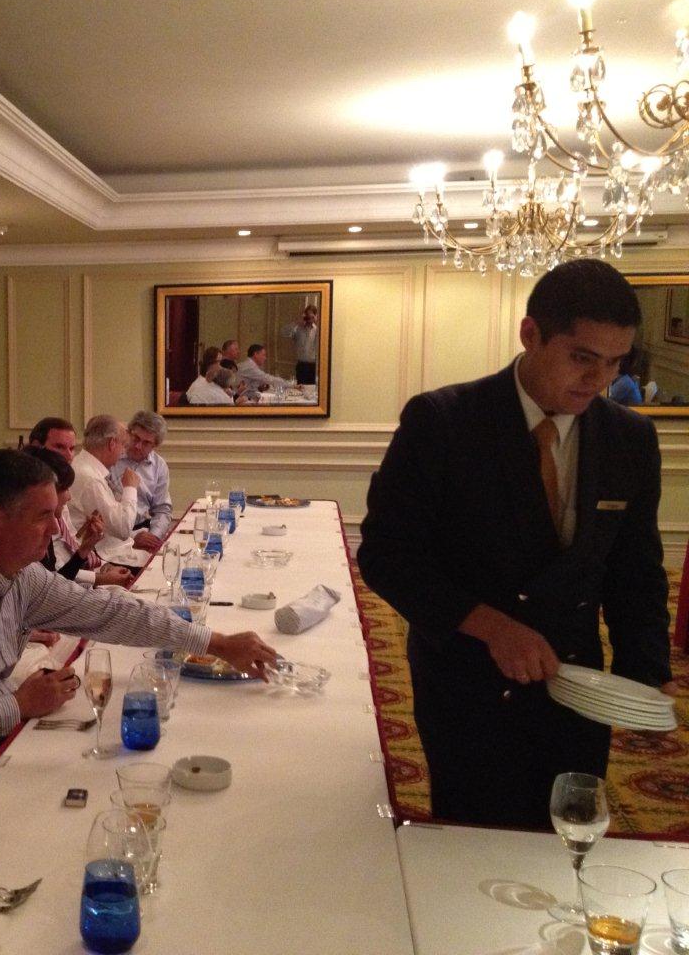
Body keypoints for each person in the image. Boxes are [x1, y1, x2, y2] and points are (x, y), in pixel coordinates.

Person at [0, 449, 279, 871]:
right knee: (85, 826)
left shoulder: (13, 571)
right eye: (44, 516)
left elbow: (108, 612)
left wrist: (215, 642)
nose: (56, 528)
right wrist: (17, 705)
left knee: (102, 781)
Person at [358, 259, 672, 830]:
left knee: (566, 829)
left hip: (577, 679)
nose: (598, 380)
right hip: (468, 677)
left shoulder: (629, 437)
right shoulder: (445, 421)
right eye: (582, 357)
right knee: (476, 834)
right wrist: (491, 625)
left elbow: (636, 568)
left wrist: (643, 673)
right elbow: (386, 554)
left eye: (615, 363)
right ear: (531, 334)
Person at [23, 445, 128, 588]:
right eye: (59, 447)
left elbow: (54, 583)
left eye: (71, 448)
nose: (69, 497)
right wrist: (100, 579)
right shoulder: (30, 536)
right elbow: (52, 586)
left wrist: (85, 548)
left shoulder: (56, 514)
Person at [68, 414, 141, 543]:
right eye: (123, 445)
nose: (123, 452)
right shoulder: (90, 479)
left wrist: (135, 536)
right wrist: (130, 488)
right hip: (104, 552)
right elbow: (123, 529)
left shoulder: (84, 465)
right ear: (112, 443)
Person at [112, 410, 173, 552]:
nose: (138, 446)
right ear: (128, 433)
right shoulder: (112, 457)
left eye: (146, 443)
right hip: (112, 533)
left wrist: (153, 536)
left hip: (143, 529)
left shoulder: (159, 466)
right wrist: (132, 538)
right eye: (136, 438)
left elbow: (162, 509)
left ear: (155, 445)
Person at [283, 305, 320, 384]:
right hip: (301, 365)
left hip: (314, 365)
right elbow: (284, 333)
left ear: (315, 316)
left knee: (313, 388)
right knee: (300, 388)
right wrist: (296, 322)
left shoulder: (318, 330)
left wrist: (318, 322)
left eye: (311, 316)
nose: (309, 319)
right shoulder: (298, 329)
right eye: (307, 316)